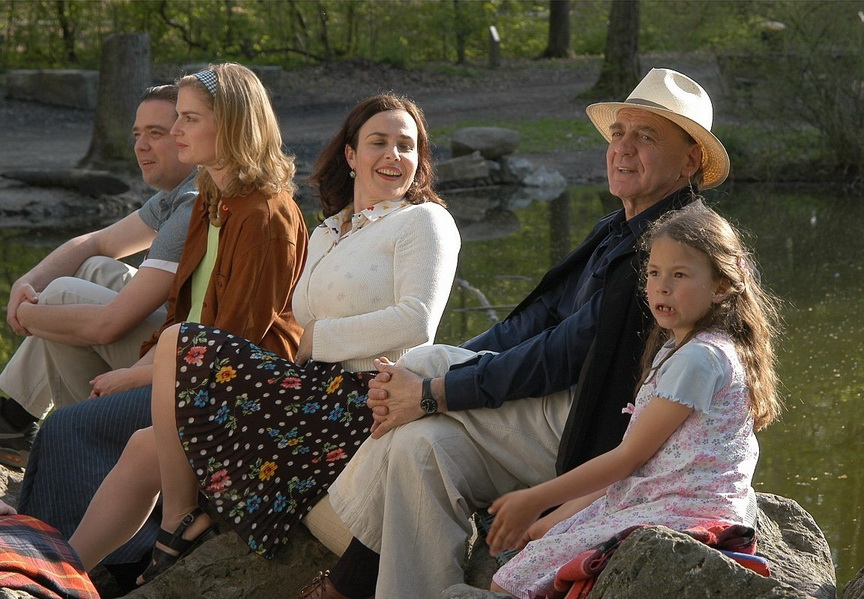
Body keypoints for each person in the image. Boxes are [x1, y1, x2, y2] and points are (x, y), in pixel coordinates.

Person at [300, 68, 734, 599]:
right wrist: (448, 370)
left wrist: (437, 391)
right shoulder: (618, 229)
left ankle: (343, 563)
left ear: (689, 161)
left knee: (421, 372)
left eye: (646, 137)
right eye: (619, 133)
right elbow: (533, 321)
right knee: (419, 442)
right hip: (553, 412)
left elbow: (564, 353)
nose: (622, 148)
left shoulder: (671, 246)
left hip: (593, 429)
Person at [66, 92, 461, 586]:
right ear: (351, 155)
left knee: (179, 342)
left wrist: (317, 338)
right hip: (312, 392)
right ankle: (57, 574)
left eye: (406, 145)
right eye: (378, 142)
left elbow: (417, 322)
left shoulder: (424, 220)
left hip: (365, 400)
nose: (393, 155)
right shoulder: (329, 232)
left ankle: (178, 520)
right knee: (148, 445)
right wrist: (309, 348)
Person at [17, 62, 307, 589]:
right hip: (185, 369)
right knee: (102, 427)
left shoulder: (266, 216)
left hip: (236, 391)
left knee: (68, 425)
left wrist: (137, 376)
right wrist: (146, 365)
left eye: (188, 119)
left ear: (232, 124)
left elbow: (236, 347)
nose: (175, 131)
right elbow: (181, 313)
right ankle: (56, 566)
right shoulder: (212, 200)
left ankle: (49, 553)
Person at [487, 203, 781, 597]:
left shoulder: (700, 358)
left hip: (682, 509)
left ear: (721, 286)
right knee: (541, 544)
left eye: (679, 275)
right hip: (662, 493)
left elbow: (628, 458)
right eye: (654, 272)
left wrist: (535, 499)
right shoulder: (685, 348)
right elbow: (638, 465)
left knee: (507, 582)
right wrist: (552, 520)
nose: (662, 287)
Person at [0, 84, 198, 470]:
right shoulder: (176, 195)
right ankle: (14, 418)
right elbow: (97, 241)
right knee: (92, 268)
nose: (141, 146)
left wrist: (27, 314)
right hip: (179, 335)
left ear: (185, 134)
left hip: (188, 359)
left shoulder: (193, 202)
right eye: (137, 134)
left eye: (156, 133)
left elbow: (108, 326)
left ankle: (78, 439)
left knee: (62, 296)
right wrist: (27, 283)